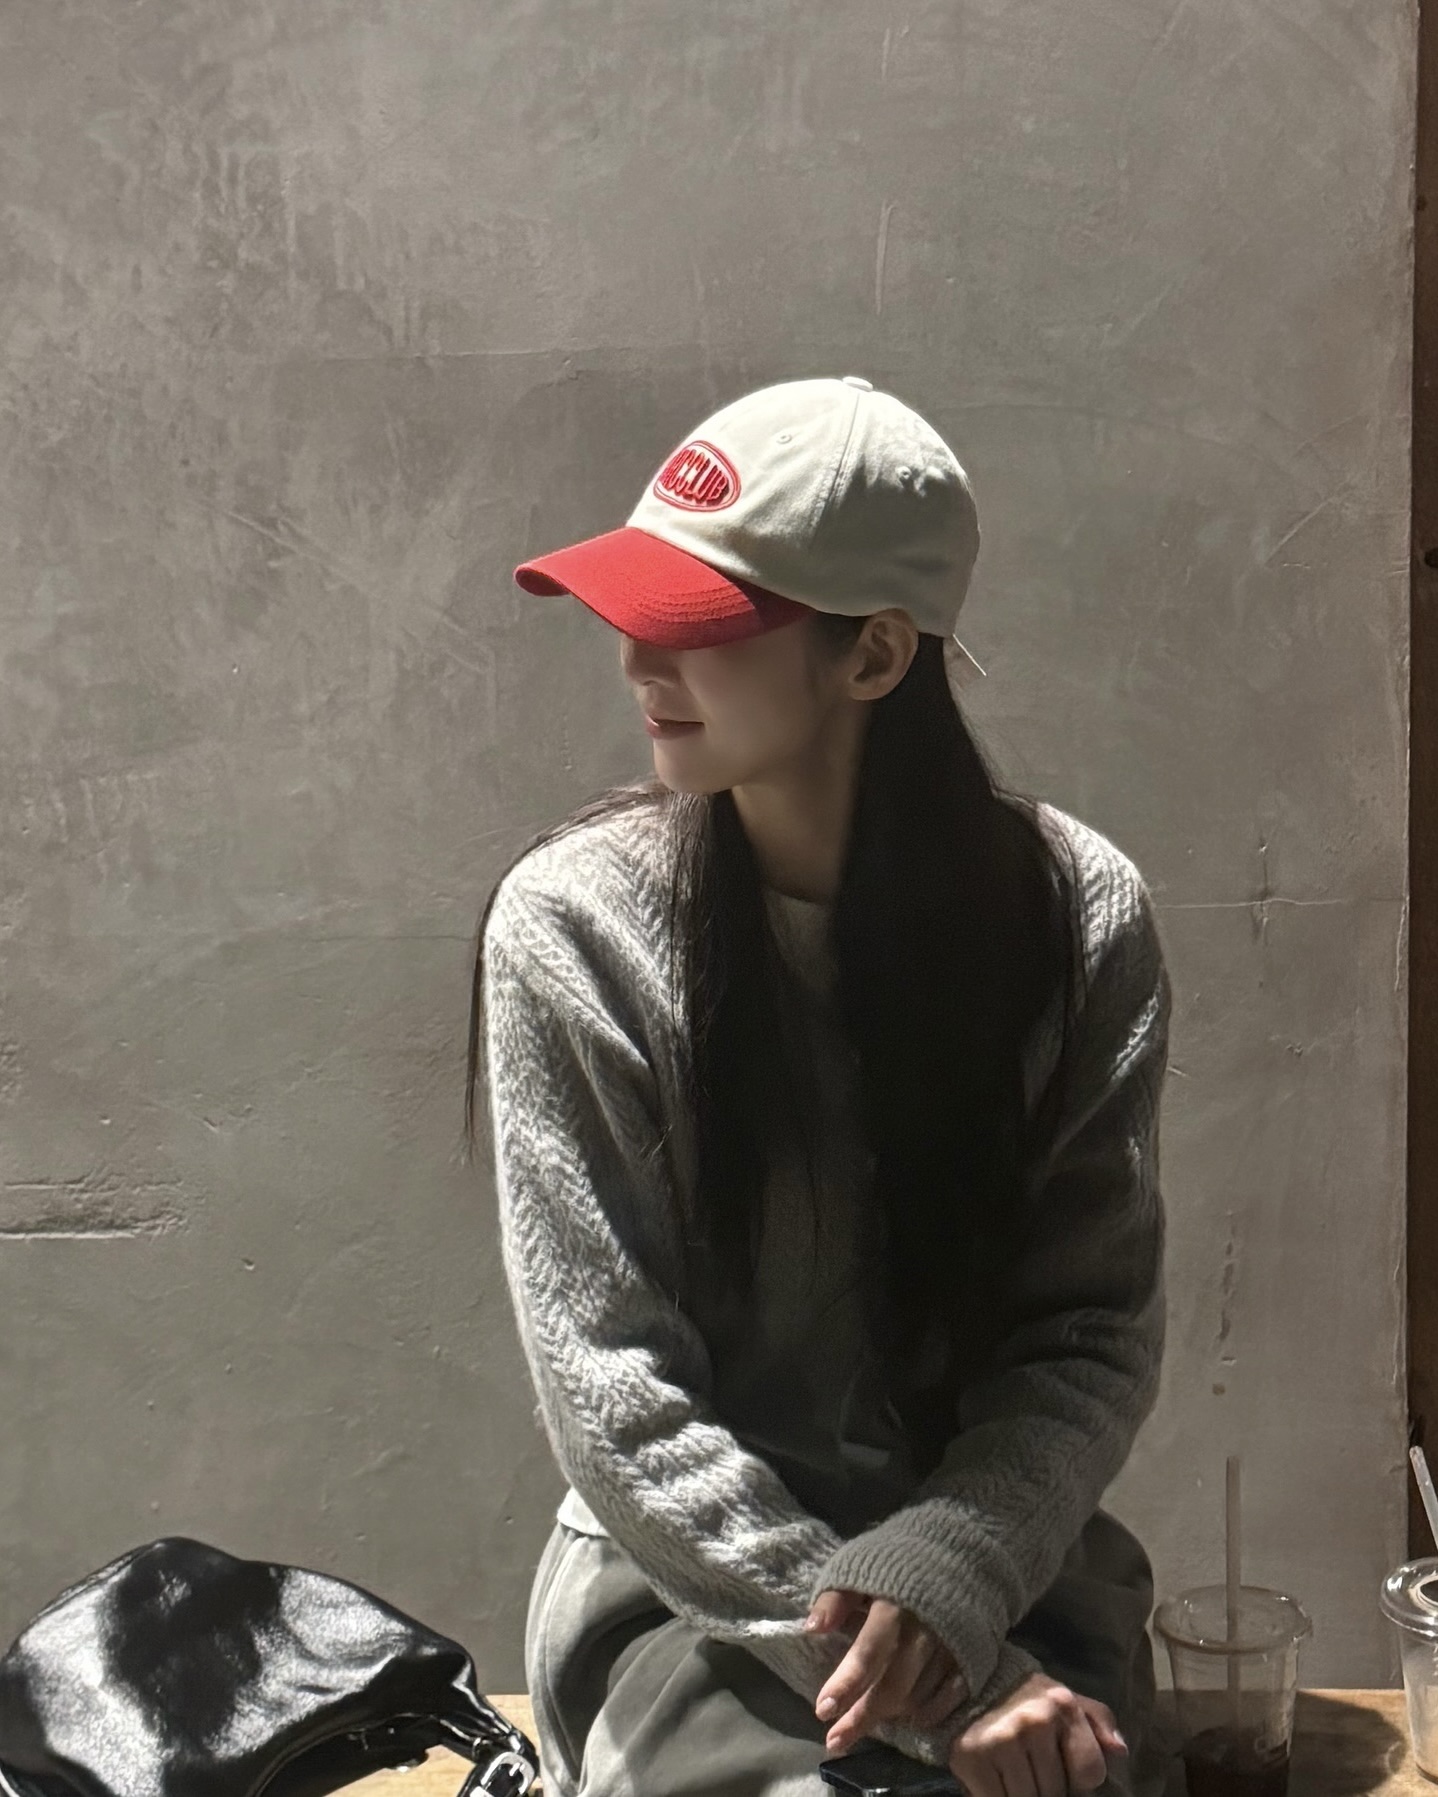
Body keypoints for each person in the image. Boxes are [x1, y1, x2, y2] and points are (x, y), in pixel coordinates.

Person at [463, 377, 1173, 1797]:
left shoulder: (1076, 916)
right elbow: (617, 1400)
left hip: (1003, 1563)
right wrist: (940, 1682)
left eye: (696, 623)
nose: (636, 660)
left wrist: (955, 1572)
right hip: (698, 1595)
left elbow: (1087, 1332)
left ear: (875, 655)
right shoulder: (575, 929)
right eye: (630, 611)